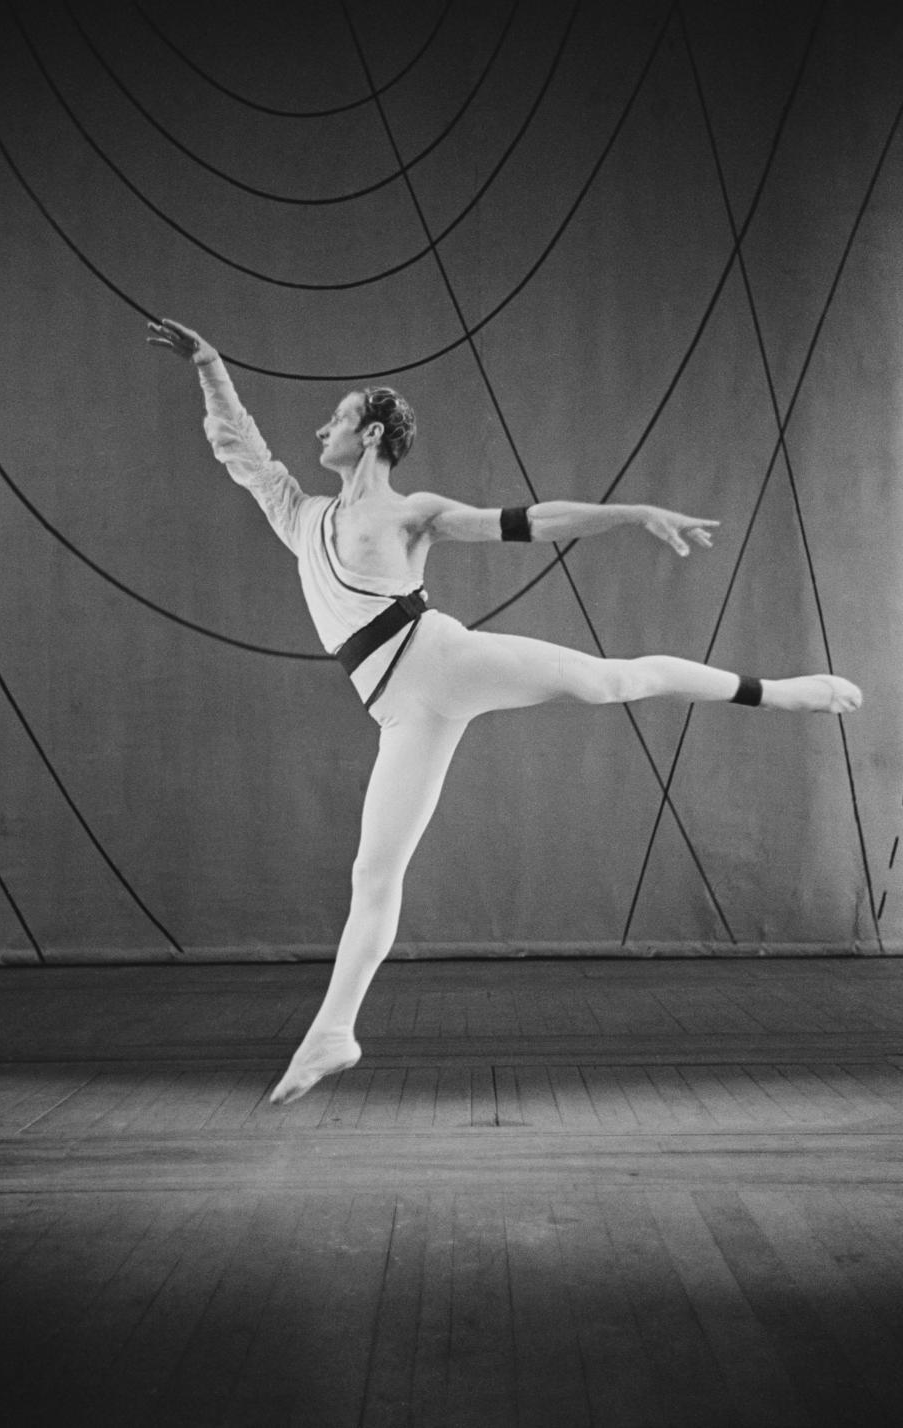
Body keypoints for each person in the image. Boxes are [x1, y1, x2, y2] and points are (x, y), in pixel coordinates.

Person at [147, 317, 862, 1104]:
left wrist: (628, 513)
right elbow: (240, 448)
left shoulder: (410, 510)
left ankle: (778, 691)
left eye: (339, 416)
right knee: (373, 872)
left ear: (374, 432)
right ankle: (333, 1033)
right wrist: (211, 365)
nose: (322, 427)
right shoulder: (302, 516)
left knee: (609, 681)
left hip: (439, 659)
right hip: (401, 713)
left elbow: (527, 522)